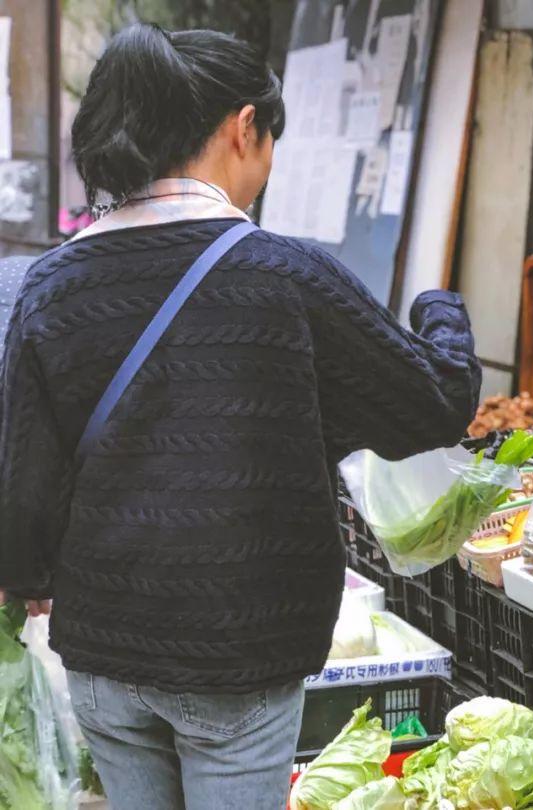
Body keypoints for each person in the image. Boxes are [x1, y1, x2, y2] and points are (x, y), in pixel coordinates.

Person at [0, 23, 481, 810]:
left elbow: (22, 473)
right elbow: (430, 407)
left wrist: (26, 576)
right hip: (239, 648)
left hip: (101, 649)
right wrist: (439, 306)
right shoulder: (287, 277)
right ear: (243, 127)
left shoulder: (52, 285)